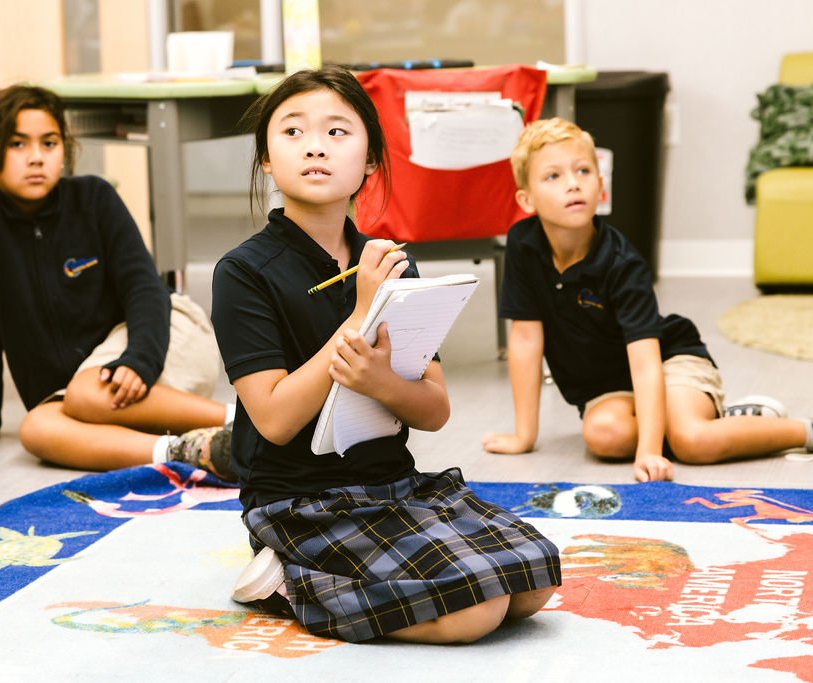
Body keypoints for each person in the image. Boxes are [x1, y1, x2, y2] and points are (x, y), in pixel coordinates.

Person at [209, 66, 560, 644]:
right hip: (299, 501)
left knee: (532, 583)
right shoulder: (243, 272)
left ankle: (345, 572)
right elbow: (271, 420)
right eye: (292, 132)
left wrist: (380, 382)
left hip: (390, 484)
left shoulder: (391, 262)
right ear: (267, 158)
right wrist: (358, 317)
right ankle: (288, 582)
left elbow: (434, 410)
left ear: (370, 160)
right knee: (473, 615)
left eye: (338, 132)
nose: (315, 145)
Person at [482, 117, 813, 481]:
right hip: (607, 387)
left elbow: (645, 360)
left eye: (583, 171)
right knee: (606, 436)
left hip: (668, 359)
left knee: (692, 443)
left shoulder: (622, 262)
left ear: (601, 186)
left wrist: (650, 451)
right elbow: (525, 340)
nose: (572, 183)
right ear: (527, 201)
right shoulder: (523, 246)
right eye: (553, 176)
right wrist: (524, 435)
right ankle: (734, 421)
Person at [0, 84, 235, 478]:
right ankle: (193, 451)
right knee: (37, 427)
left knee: (88, 391)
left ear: (65, 149)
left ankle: (247, 424)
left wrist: (139, 360)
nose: (37, 158)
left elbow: (144, 288)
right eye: (18, 144)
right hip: (87, 395)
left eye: (49, 143)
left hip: (160, 335)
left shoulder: (95, 198)